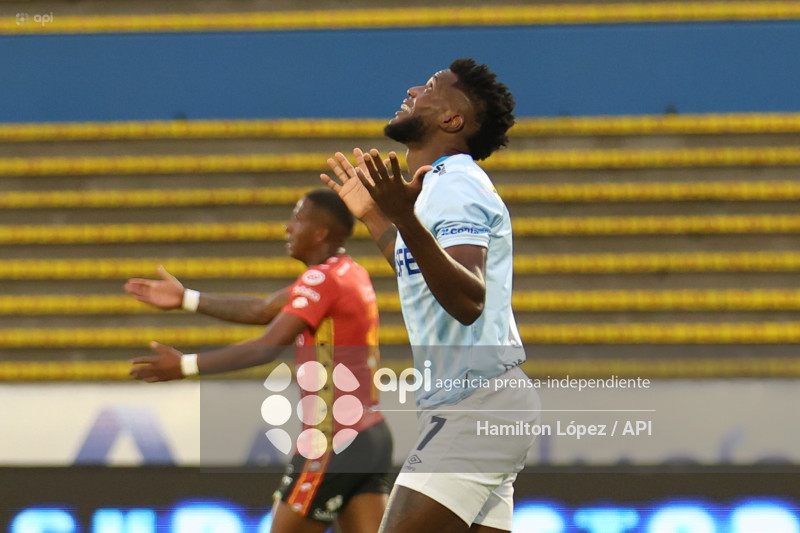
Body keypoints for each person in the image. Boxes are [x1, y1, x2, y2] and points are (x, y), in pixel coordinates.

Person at [321, 58, 539, 533]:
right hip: (476, 403)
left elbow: (468, 299)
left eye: (432, 86)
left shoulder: (455, 182)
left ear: (453, 120)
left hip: (476, 404)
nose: (414, 89)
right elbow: (422, 272)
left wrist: (403, 216)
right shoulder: (441, 185)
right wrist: (376, 217)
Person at [124, 189, 392, 533]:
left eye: (297, 218)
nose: (288, 227)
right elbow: (263, 310)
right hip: (370, 435)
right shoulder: (350, 273)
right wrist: (187, 298)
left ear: (320, 232)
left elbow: (266, 347)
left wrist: (186, 365)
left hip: (334, 438)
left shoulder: (322, 280)